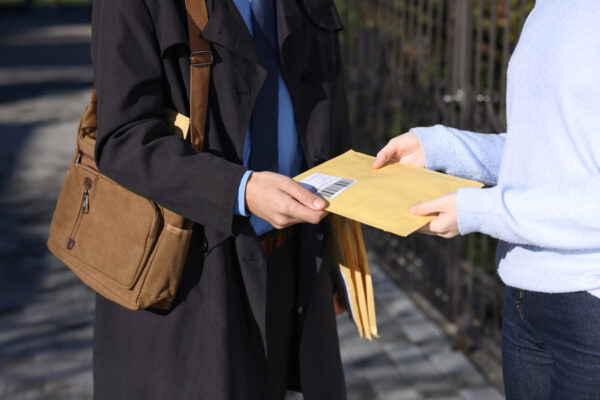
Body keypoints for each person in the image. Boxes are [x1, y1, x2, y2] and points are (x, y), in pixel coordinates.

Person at [91, 0, 350, 399]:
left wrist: (333, 259)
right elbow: (123, 139)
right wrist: (239, 189)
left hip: (296, 259)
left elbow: (325, 113)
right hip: (194, 274)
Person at [373, 1, 600, 398]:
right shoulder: (546, 9)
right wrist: (441, 147)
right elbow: (547, 155)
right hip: (523, 302)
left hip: (589, 311)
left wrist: (479, 210)